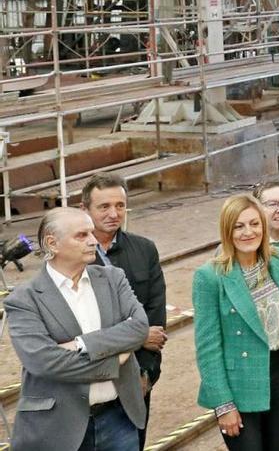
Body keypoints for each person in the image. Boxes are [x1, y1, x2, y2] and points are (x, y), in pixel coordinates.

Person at [6, 208, 149, 451]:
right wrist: (114, 361)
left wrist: (82, 344)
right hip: (56, 427)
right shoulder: (23, 298)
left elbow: (139, 327)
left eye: (91, 233)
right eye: (81, 235)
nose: (93, 240)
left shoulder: (113, 278)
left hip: (119, 418)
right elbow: (44, 362)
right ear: (53, 243)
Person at [193, 195, 279, 450]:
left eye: (254, 224)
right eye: (239, 226)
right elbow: (208, 347)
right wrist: (223, 404)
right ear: (227, 231)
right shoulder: (210, 277)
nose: (248, 232)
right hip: (238, 384)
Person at [80, 173, 166, 449]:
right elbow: (78, 332)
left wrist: (147, 375)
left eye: (120, 205)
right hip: (85, 386)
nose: (114, 213)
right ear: (85, 210)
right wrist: (138, 337)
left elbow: (156, 324)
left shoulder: (144, 250)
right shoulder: (72, 256)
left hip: (135, 383)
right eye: (104, 207)